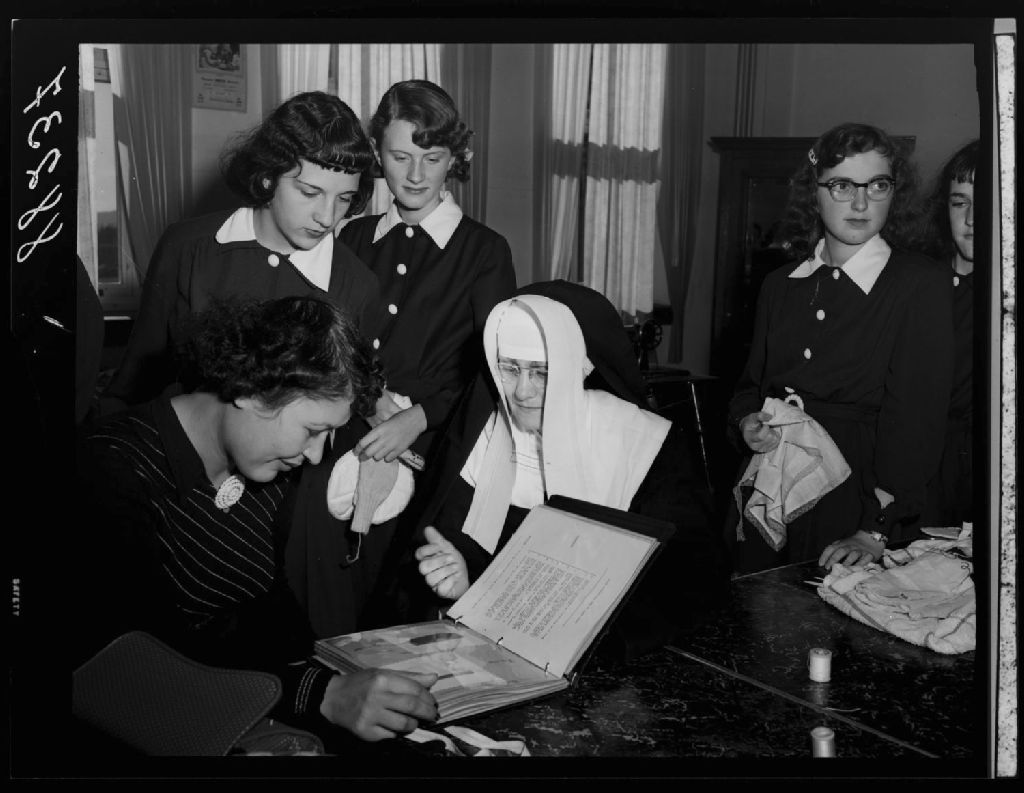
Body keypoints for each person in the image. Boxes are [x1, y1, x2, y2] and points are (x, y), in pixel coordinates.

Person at [72, 296, 438, 750]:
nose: (316, 455)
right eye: (312, 430)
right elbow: (137, 675)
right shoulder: (108, 472)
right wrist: (319, 695)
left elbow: (265, 613)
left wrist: (341, 678)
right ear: (248, 388)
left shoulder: (266, 470)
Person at [286, 79, 516, 638]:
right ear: (375, 153)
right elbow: (325, 344)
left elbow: (493, 371)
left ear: (455, 158)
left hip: (435, 450)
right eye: (399, 157)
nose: (415, 176)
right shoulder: (352, 238)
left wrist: (418, 418)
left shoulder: (485, 251)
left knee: (400, 610)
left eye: (431, 159)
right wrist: (367, 401)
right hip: (345, 434)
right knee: (319, 588)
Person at [391, 281, 729, 654]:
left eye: (541, 372)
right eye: (510, 368)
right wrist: (459, 585)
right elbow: (448, 569)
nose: (521, 391)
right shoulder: (479, 438)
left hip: (611, 656)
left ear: (577, 368)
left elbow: (691, 582)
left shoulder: (640, 443)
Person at [728, 122, 954, 574]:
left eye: (878, 185)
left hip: (857, 501)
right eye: (842, 185)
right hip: (774, 482)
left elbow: (917, 423)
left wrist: (876, 529)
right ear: (814, 193)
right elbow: (751, 387)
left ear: (895, 193)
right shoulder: (780, 284)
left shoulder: (919, 284)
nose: (861, 203)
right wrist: (747, 422)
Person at [101, 91, 381, 412]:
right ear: (268, 177)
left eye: (344, 199)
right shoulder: (186, 248)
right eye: (309, 192)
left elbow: (348, 409)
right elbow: (134, 385)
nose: (327, 217)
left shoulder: (357, 286)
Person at [918, 139, 978, 527]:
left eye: (985, 201)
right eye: (960, 203)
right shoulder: (918, 284)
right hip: (922, 468)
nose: (971, 219)